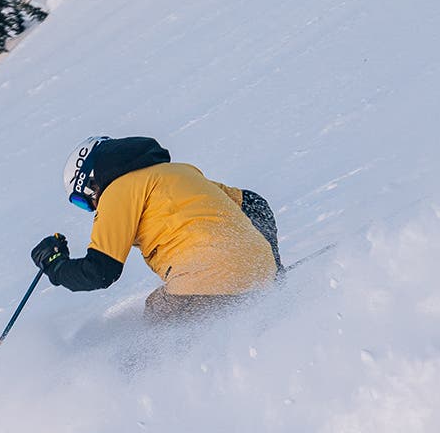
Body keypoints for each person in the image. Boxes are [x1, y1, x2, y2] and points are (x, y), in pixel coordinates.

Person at [31, 136, 282, 321]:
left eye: (82, 201)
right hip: (262, 272)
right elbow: (254, 203)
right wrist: (274, 265)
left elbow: (99, 272)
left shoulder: (116, 192)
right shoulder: (178, 171)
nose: (93, 208)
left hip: (205, 279)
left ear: (89, 181)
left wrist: (56, 266)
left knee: (155, 318)